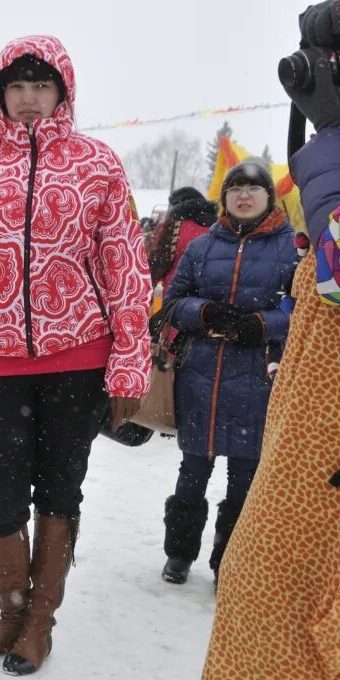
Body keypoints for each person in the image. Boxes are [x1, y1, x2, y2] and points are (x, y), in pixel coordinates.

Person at [0, 36, 151, 675]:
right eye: (16, 88)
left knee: (58, 490)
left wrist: (129, 362)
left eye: (40, 87)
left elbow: (125, 268)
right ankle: (9, 608)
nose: (28, 99)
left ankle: (38, 622)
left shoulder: (97, 164)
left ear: (61, 93)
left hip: (78, 357)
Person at [203, 3, 340, 676]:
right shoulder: (207, 242)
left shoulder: (302, 225)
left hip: (314, 446)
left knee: (270, 594)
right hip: (291, 415)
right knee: (256, 580)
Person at [160, 162, 296, 586]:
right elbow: (172, 300)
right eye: (235, 186)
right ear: (224, 195)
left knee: (243, 481)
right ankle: (179, 555)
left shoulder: (291, 248)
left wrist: (264, 324)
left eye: (253, 187)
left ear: (268, 197)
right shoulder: (202, 247)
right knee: (191, 474)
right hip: (200, 376)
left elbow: (300, 308)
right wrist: (203, 311)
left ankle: (228, 562)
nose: (243, 194)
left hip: (258, 378)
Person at [147, 186, 219, 289]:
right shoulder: (219, 227)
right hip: (211, 297)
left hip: (176, 295)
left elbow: (155, 265)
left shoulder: (171, 228)